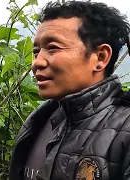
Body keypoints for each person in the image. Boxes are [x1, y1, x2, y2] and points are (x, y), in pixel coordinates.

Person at [9, 1, 130, 180]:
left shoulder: (124, 131)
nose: (37, 63)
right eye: (36, 51)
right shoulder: (40, 120)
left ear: (100, 57)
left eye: (53, 48)